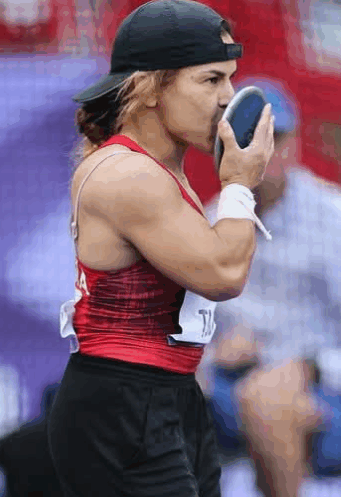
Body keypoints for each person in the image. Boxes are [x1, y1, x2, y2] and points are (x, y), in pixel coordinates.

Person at [46, 1, 276, 496]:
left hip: (169, 393)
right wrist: (239, 185)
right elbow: (224, 275)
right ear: (151, 87)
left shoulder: (163, 170)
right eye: (211, 80)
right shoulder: (129, 175)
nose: (228, 98)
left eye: (230, 78)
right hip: (122, 403)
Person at [198, 76, 341, 497]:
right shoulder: (211, 222)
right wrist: (212, 355)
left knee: (266, 401)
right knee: (149, 390)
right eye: (248, 139)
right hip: (242, 384)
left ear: (295, 142)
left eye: (273, 137)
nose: (263, 152)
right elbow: (187, 333)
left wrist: (307, 368)